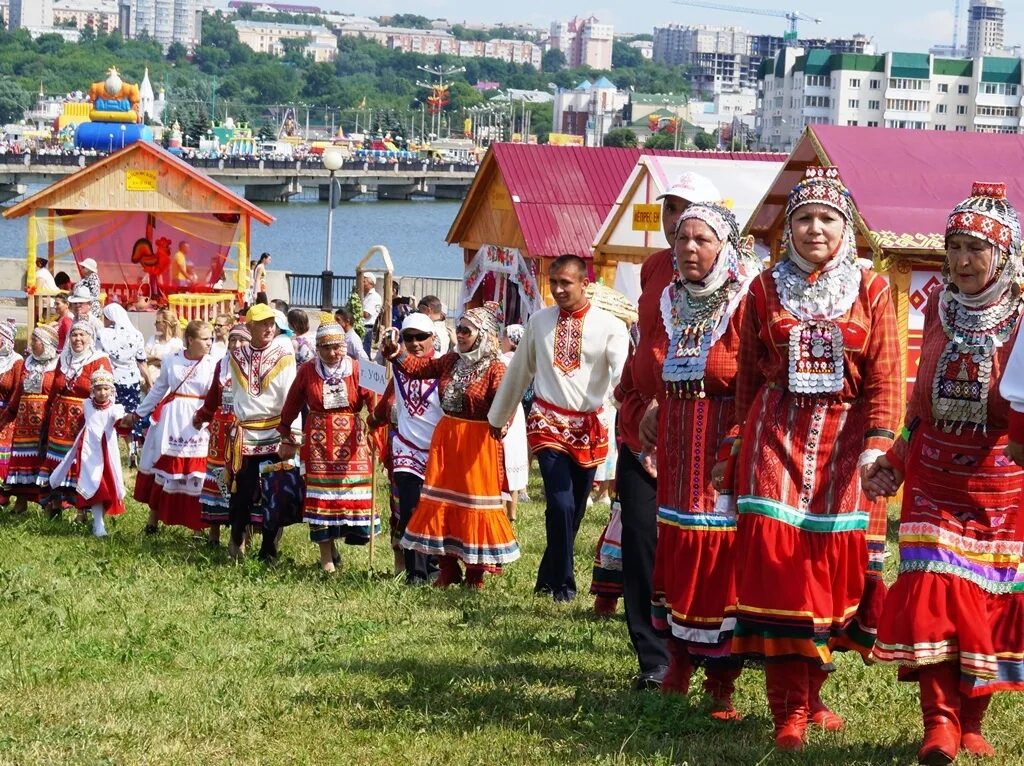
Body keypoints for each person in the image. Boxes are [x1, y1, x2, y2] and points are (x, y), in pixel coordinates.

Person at [730, 167, 900, 752]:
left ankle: (815, 692)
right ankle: (788, 709)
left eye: (828, 218)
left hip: (846, 443)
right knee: (779, 575)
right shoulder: (764, 288)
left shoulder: (872, 289)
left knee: (830, 575)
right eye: (803, 218)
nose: (815, 229)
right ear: (788, 228)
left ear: (846, 226)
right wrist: (735, 441)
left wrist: (880, 443)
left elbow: (884, 373)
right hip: (774, 435)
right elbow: (749, 375)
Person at [866, 182, 1024, 765]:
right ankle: (938, 720)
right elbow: (917, 401)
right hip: (933, 475)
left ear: (1002, 255)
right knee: (935, 588)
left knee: (984, 603)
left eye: (974, 250)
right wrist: (896, 459)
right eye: (953, 247)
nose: (960, 262)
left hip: (1001, 480)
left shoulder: (1023, 316)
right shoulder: (939, 306)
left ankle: (972, 717)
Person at [649, 203, 761, 720]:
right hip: (674, 451)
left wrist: (734, 447)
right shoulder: (671, 300)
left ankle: (721, 683)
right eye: (683, 239)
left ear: (726, 247)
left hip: (721, 449)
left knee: (718, 562)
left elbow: (754, 384)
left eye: (703, 240)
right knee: (674, 552)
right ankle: (676, 664)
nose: (689, 248)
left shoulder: (744, 301)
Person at [616, 171, 722, 689]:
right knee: (639, 539)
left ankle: (704, 652)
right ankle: (654, 657)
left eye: (685, 211)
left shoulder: (737, 274)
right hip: (642, 423)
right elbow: (645, 339)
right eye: (668, 212)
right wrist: (636, 397)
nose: (675, 224)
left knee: (697, 543)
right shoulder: (654, 267)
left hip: (701, 428)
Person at [488, 254, 629, 602]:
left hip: (589, 427)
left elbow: (623, 375)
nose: (559, 289)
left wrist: (632, 416)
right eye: (554, 282)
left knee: (574, 509)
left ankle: (547, 576)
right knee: (561, 502)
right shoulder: (539, 322)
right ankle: (564, 585)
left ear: (585, 284)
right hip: (547, 422)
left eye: (566, 282)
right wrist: (497, 417)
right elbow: (520, 370)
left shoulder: (611, 326)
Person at [382, 306, 520, 589]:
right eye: (458, 329)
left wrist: (503, 422)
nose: (460, 334)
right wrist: (396, 352)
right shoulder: (451, 361)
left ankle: (474, 573)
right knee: (441, 502)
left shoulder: (495, 368)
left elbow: (507, 402)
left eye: (466, 330)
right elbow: (417, 368)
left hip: (478, 444)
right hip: (447, 440)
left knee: (473, 505)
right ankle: (447, 569)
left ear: (483, 334)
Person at [194, 303, 299, 562]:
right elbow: (219, 390)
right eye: (262, 323)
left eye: (271, 323)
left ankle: (268, 549)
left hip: (274, 431)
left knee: (275, 492)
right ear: (249, 327)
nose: (268, 328)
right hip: (245, 434)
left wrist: (291, 436)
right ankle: (236, 540)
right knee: (240, 492)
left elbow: (291, 397)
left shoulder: (284, 355)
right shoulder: (233, 359)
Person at [278, 321, 375, 572]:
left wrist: (377, 427)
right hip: (318, 441)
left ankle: (340, 544)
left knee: (349, 494)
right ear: (317, 348)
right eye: (327, 348)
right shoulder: (307, 371)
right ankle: (326, 558)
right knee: (321, 497)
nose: (334, 353)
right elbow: (292, 402)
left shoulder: (357, 369)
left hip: (352, 442)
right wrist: (285, 431)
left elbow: (374, 400)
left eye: (338, 347)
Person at [369, 312, 443, 585]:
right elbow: (388, 398)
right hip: (406, 449)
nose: (415, 343)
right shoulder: (399, 367)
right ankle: (415, 572)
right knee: (410, 509)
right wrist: (373, 419)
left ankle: (434, 566)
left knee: (434, 510)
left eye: (421, 337)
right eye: (409, 337)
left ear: (432, 338)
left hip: (437, 452)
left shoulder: (443, 369)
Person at [126, 320, 216, 535]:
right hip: (173, 419)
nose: (209, 343)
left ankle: (198, 528)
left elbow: (216, 395)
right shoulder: (171, 360)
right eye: (205, 339)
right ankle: (152, 522)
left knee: (196, 472)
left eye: (211, 338)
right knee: (166, 468)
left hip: (199, 420)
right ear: (190, 340)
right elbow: (158, 390)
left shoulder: (213, 363)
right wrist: (139, 413)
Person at [37, 320, 113, 516]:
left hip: (83, 419)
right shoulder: (64, 358)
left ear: (90, 338)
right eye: (74, 335)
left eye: (82, 335)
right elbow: (55, 385)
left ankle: (82, 511)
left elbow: (107, 392)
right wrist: (47, 412)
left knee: (80, 461)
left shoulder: (99, 360)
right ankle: (54, 507)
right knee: (56, 459)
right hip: (59, 419)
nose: (78, 339)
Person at [49, 368, 125, 537]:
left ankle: (99, 522)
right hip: (89, 452)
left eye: (106, 389)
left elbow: (119, 419)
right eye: (98, 389)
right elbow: (83, 423)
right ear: (92, 390)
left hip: (106, 454)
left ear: (111, 390)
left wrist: (123, 419)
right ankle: (99, 525)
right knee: (96, 487)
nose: (102, 393)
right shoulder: (87, 404)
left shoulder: (114, 408)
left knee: (106, 486)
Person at [197, 324, 250, 545]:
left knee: (242, 480)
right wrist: (202, 416)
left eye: (241, 340)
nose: (236, 345)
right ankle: (214, 533)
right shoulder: (222, 365)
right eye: (232, 340)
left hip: (244, 429)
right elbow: (212, 398)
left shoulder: (254, 366)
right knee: (217, 476)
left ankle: (241, 536)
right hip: (220, 431)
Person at [0, 325, 59, 514]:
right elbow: (18, 392)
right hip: (25, 421)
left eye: (35, 340)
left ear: (47, 344)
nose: (31, 344)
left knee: (44, 461)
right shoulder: (27, 363)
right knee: (23, 461)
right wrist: (8, 415)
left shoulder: (57, 365)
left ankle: (49, 505)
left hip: (45, 420)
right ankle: (20, 502)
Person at [99, 303, 149, 462]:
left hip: (109, 380)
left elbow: (98, 356)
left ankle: (107, 449)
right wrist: (150, 383)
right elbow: (142, 361)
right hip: (131, 380)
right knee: (130, 415)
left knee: (108, 415)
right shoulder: (136, 334)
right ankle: (132, 449)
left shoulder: (103, 334)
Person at [499, 323, 529, 523]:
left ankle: (500, 511)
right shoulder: (525, 361)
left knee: (503, 458)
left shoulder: (500, 360)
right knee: (515, 457)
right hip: (517, 413)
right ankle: (513, 511)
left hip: (503, 410)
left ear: (510, 339)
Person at [0, 321, 25, 508]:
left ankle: (5, 494)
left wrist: (9, 413)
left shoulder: (16, 362)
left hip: (8, 413)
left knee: (4, 454)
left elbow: (18, 390)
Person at [145, 308, 183, 388]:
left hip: (166, 383)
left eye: (158, 322)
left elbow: (171, 362)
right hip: (149, 382)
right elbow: (143, 357)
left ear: (165, 324)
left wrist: (151, 361)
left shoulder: (176, 342)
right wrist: (156, 357)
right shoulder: (153, 338)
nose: (155, 324)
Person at [360, 272, 382, 356]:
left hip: (368, 328)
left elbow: (366, 314)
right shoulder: (365, 296)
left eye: (364, 281)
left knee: (365, 353)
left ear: (371, 283)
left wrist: (354, 313)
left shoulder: (374, 297)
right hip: (364, 327)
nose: (361, 283)